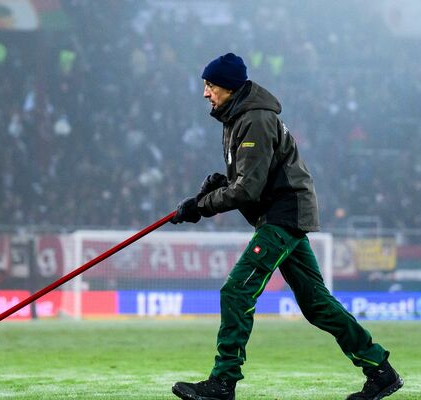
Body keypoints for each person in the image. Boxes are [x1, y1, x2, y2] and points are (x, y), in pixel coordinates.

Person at [169, 53, 403, 400]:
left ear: (230, 87)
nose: (206, 93)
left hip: (284, 215)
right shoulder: (237, 118)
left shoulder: (255, 120)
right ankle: (380, 371)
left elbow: (248, 188)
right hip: (282, 214)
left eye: (210, 85)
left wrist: (201, 206)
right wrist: (218, 184)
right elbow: (251, 175)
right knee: (317, 304)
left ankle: (223, 382)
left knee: (237, 291)